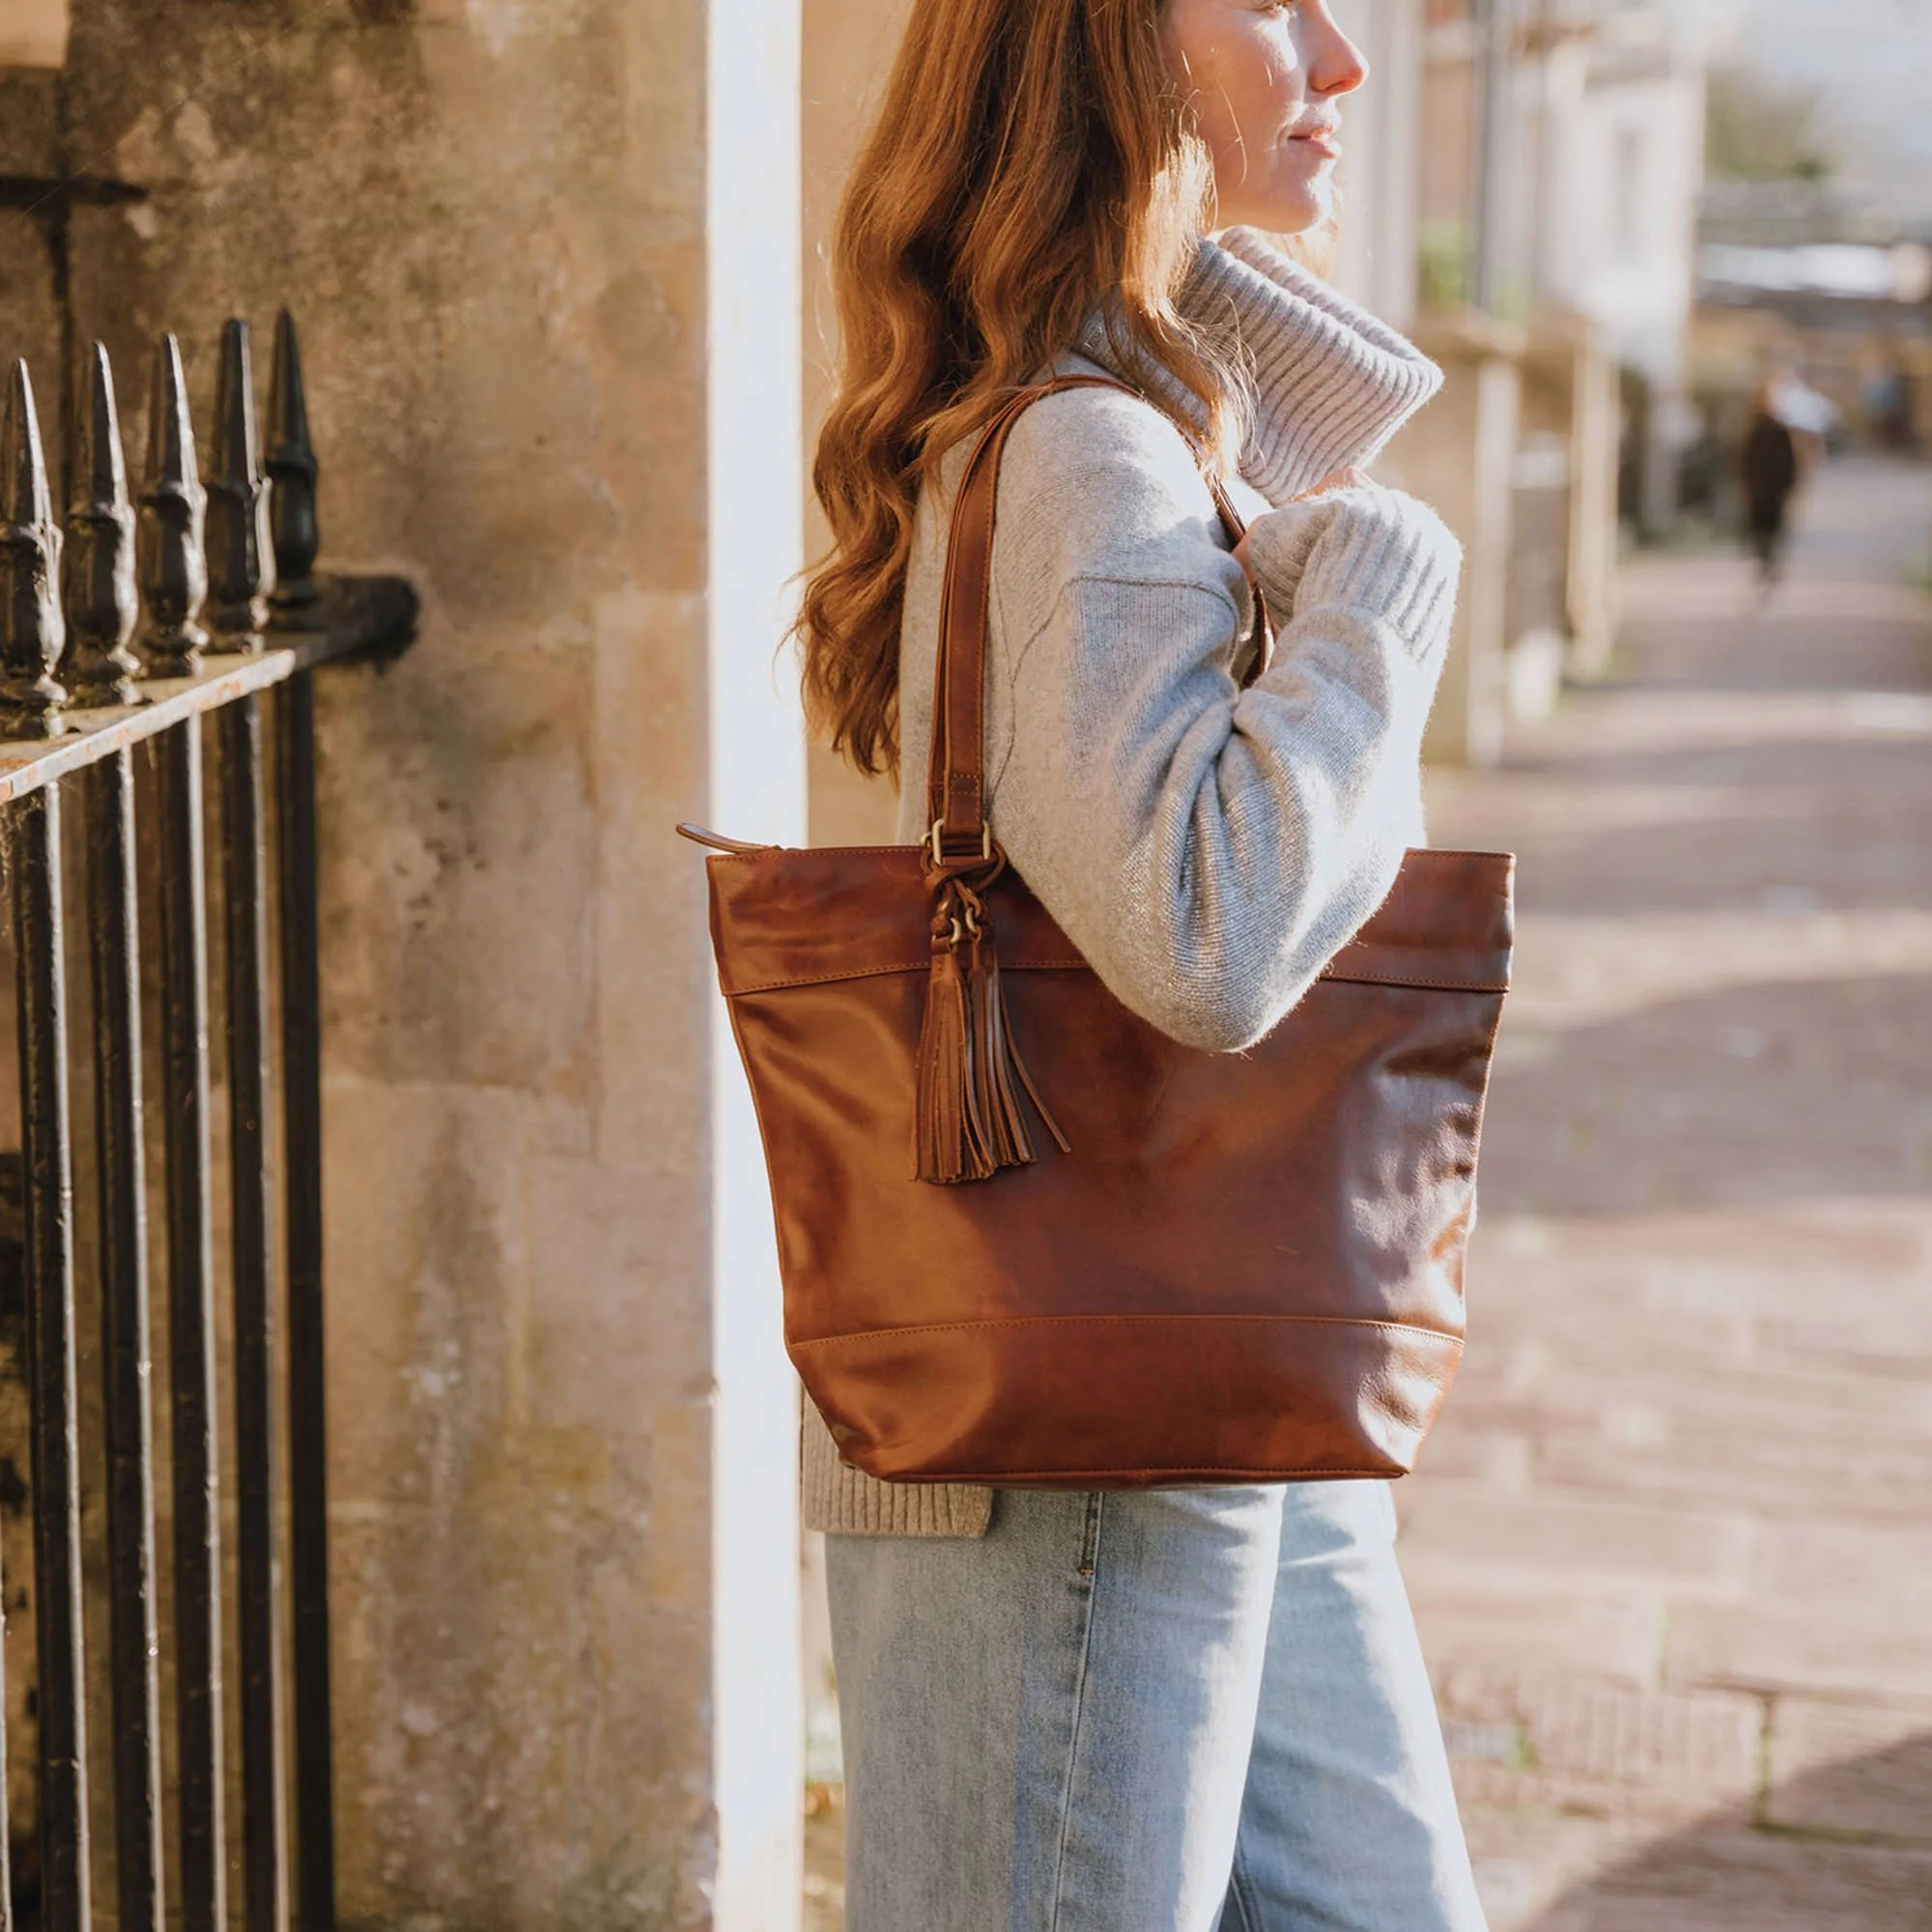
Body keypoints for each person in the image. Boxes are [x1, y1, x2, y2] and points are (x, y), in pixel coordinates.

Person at [795, 1, 1485, 1926]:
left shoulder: (1115, 431)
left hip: (1217, 1368)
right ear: (1104, 41)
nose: (1342, 58)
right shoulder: (1088, 452)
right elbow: (1210, 936)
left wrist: (1233, 398)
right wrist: (1377, 604)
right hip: (1082, 1421)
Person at [1741, 380, 1803, 593]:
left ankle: (1772, 563)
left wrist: (1789, 485)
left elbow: (1790, 462)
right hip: (1759, 490)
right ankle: (1763, 562)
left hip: (1776, 490)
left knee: (1775, 528)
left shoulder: (1780, 430)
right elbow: (1745, 461)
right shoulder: (1753, 429)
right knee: (1760, 529)